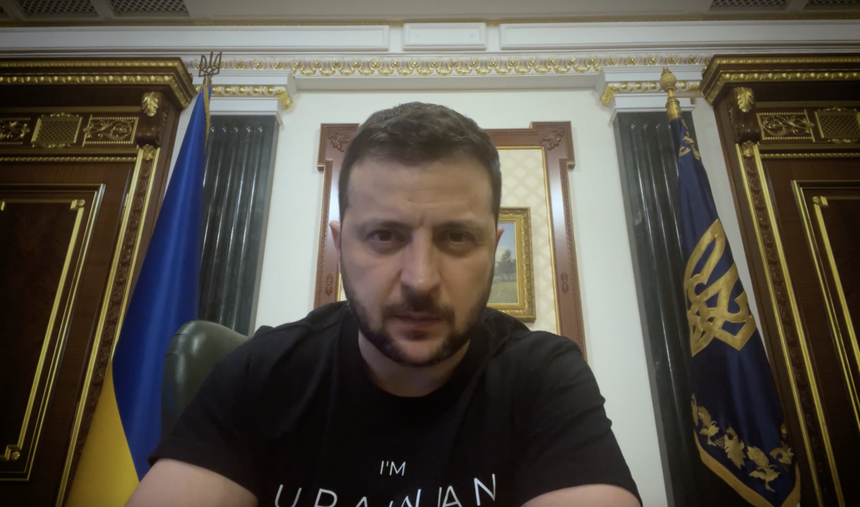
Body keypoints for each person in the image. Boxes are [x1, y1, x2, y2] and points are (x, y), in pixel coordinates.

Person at [127, 103, 641, 507]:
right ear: (339, 246)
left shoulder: (544, 377)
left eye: (457, 237)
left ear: (494, 248)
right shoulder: (262, 371)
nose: (420, 280)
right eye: (384, 236)